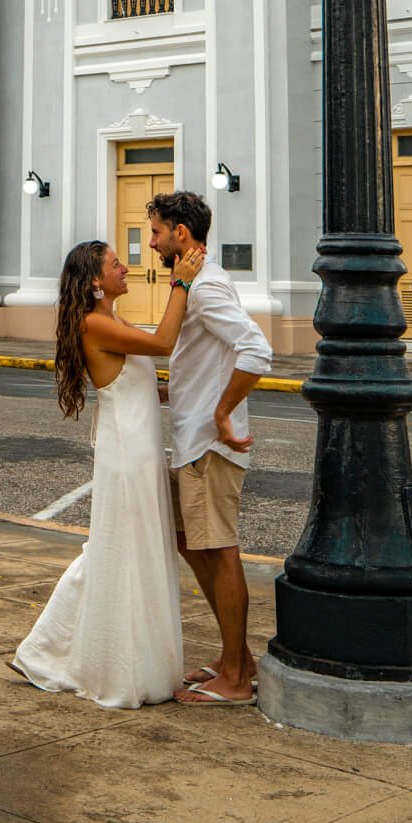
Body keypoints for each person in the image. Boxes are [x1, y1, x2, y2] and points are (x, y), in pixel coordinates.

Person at [12, 235, 205, 709]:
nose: (125, 268)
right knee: (116, 548)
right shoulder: (95, 324)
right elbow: (162, 342)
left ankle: (54, 650)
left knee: (129, 548)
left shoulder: (111, 320)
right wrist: (181, 282)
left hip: (138, 446)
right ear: (96, 281)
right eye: (116, 264)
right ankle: (48, 652)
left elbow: (136, 382)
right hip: (127, 453)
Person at [148, 189, 272, 707]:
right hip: (192, 437)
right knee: (191, 543)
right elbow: (207, 359)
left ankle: (238, 680)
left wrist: (221, 413)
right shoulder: (198, 283)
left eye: (156, 232)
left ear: (182, 233)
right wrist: (172, 390)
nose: (151, 242)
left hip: (208, 444)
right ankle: (233, 659)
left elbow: (256, 349)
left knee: (219, 551)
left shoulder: (204, 289)